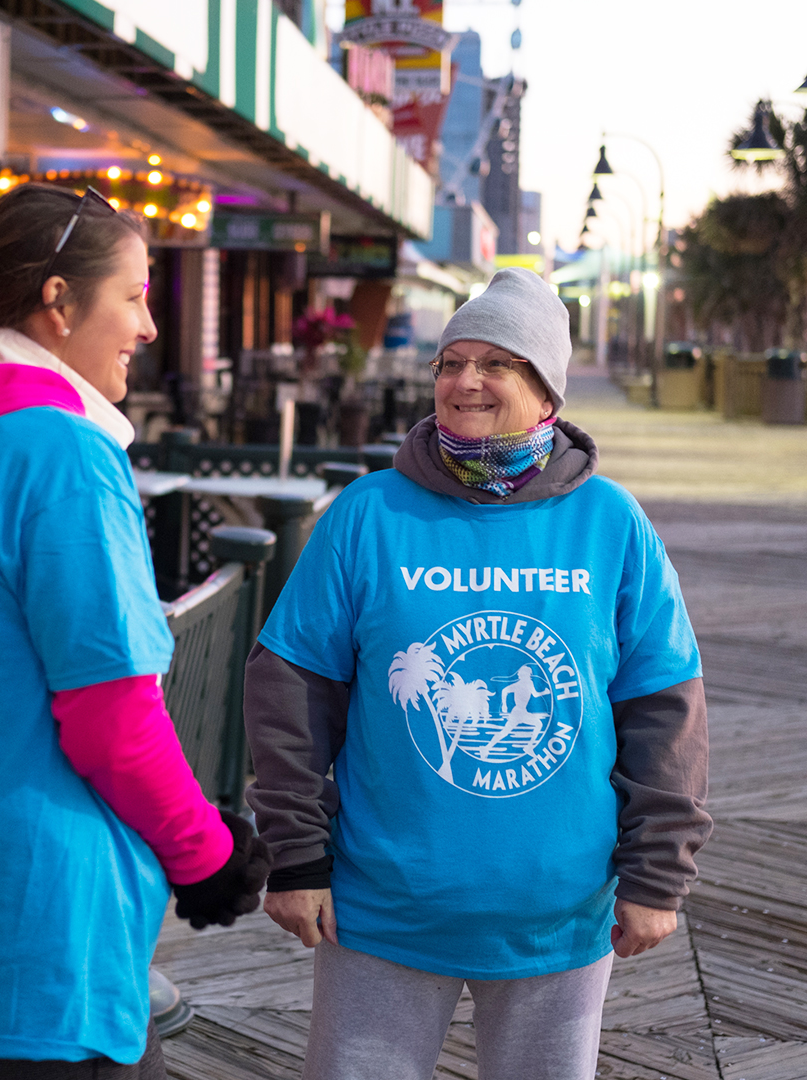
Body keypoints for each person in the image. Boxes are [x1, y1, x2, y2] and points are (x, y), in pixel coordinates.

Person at [243, 267, 711, 1080]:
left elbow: (664, 709)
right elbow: (290, 689)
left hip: (558, 915)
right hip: (383, 907)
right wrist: (294, 855)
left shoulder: (611, 524)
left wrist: (659, 872)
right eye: (450, 362)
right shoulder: (370, 514)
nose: (464, 382)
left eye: (495, 363)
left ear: (546, 389)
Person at [0, 183, 269, 1080]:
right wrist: (207, 853)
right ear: (57, 300)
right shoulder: (61, 454)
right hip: (45, 932)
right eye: (134, 293)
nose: (149, 326)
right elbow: (111, 718)